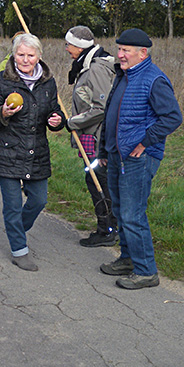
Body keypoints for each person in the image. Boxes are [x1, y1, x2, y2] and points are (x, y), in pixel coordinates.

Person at [98, 28, 182, 290]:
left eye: (125, 51)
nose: (119, 55)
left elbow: (172, 117)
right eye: (119, 49)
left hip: (138, 158)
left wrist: (145, 141)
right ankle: (127, 259)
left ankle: (146, 271)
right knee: (122, 211)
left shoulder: (154, 79)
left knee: (133, 214)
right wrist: (104, 149)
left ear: (142, 53)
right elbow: (111, 113)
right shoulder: (123, 76)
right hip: (116, 155)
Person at [0, 33, 65, 272]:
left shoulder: (48, 83)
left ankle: (15, 228)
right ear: (13, 55)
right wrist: (2, 114)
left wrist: (57, 120)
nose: (25, 60)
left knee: (39, 200)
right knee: (13, 205)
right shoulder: (1, 81)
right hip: (6, 152)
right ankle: (19, 250)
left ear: (39, 56)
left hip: (36, 153)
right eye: (20, 54)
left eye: (30, 55)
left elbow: (54, 112)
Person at [64, 26, 118, 247]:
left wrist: (72, 122)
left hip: (99, 137)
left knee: (98, 180)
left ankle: (107, 231)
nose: (66, 49)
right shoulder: (87, 65)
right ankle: (110, 228)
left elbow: (101, 108)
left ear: (79, 47)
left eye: (68, 44)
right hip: (94, 135)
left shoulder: (96, 69)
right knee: (97, 178)